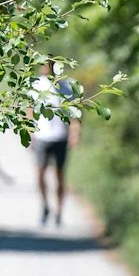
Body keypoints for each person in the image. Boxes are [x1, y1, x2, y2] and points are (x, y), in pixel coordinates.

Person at [30, 61, 81, 226]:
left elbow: (75, 112)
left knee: (59, 175)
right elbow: (30, 109)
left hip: (60, 136)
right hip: (42, 136)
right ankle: (45, 205)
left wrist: (75, 133)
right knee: (40, 173)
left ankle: (59, 211)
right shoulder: (36, 84)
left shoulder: (67, 85)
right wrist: (30, 132)